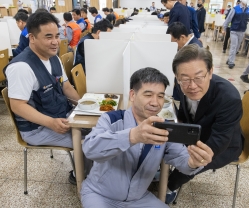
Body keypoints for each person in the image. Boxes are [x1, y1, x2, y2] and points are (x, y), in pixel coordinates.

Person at [80, 67, 214, 207]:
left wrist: (193, 163)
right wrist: (132, 136)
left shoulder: (164, 128)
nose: (155, 103)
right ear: (132, 95)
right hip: (99, 194)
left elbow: (181, 159)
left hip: (138, 199)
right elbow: (90, 149)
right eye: (148, 94)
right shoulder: (112, 119)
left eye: (160, 96)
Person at [4, 11, 80, 185]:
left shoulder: (54, 58)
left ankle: (89, 170)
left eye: (57, 36)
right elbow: (18, 106)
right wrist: (51, 123)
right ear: (32, 37)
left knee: (97, 129)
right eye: (48, 37)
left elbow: (66, 87)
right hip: (36, 128)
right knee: (87, 141)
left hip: (60, 113)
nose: (55, 42)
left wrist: (83, 107)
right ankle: (81, 177)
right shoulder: (22, 67)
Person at [165, 44, 244, 204]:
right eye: (184, 79)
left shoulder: (229, 98)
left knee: (184, 166)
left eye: (199, 77)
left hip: (224, 145)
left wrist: (188, 159)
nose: (192, 86)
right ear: (177, 76)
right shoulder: (182, 83)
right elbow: (184, 111)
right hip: (197, 132)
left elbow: (219, 141)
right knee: (161, 146)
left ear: (210, 72)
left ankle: (168, 188)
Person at [167, 22, 203, 103]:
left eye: (174, 42)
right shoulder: (189, 44)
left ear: (182, 37)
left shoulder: (194, 50)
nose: (173, 45)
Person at [222, 0, 249, 69]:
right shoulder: (235, 8)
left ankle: (229, 59)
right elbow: (228, 19)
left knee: (237, 47)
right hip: (234, 30)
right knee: (234, 45)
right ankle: (231, 62)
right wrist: (224, 28)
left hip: (242, 30)